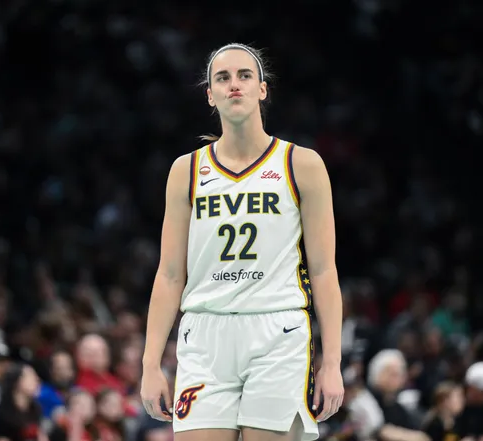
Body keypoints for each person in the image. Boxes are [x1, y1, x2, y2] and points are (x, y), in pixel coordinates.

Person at [140, 42, 344, 441]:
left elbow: (323, 270)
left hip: (278, 331)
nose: (234, 85)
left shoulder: (301, 163)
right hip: (203, 333)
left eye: (245, 76)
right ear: (210, 94)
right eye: (223, 77)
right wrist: (150, 364)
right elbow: (168, 274)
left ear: (262, 90)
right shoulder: (186, 170)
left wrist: (332, 361)